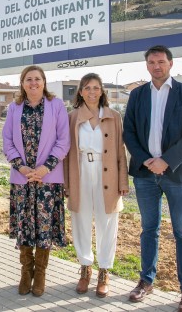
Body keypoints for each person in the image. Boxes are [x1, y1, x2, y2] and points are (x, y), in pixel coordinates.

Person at [124, 45, 182, 312]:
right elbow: (129, 132)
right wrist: (147, 160)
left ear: (171, 64)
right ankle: (146, 282)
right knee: (148, 230)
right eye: (152, 62)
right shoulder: (137, 95)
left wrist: (166, 161)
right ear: (146, 65)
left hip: (177, 174)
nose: (156, 66)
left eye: (161, 61)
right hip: (145, 174)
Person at [3, 65, 69, 297]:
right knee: (25, 226)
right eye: (28, 79)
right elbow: (8, 141)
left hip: (47, 180)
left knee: (44, 227)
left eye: (37, 79)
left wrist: (44, 168)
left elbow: (63, 140)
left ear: (44, 82)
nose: (33, 83)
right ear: (22, 83)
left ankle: (40, 273)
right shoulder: (14, 108)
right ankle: (25, 271)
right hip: (22, 178)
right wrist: (21, 166)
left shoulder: (56, 106)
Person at [64, 73, 128, 297]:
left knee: (107, 221)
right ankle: (85, 268)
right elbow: (65, 153)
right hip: (80, 170)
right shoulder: (72, 117)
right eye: (87, 88)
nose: (92, 92)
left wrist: (122, 180)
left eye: (96, 88)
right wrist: (66, 182)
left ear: (102, 91)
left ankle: (104, 271)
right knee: (80, 219)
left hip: (106, 172)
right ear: (80, 91)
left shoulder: (114, 116)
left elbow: (120, 150)